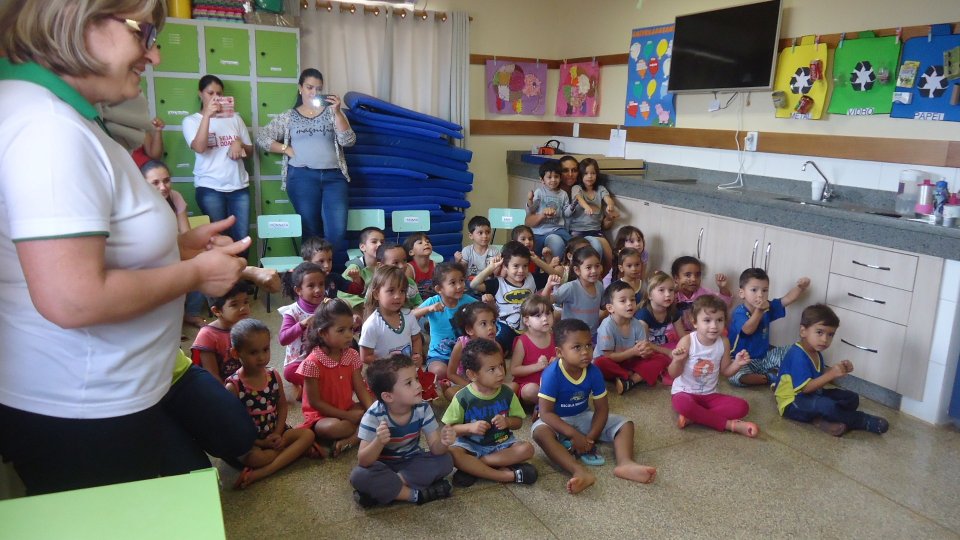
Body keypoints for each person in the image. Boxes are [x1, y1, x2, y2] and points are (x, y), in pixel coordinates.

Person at [0, 0, 251, 495]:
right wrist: (196, 273)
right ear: (79, 20)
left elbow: (86, 249)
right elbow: (73, 298)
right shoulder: (48, 129)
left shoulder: (57, 116)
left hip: (102, 396)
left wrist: (174, 247)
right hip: (83, 405)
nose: (154, 56)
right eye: (145, 34)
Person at [532, 319, 657, 494]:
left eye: (588, 345)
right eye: (577, 347)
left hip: (583, 415)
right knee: (539, 433)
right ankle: (579, 471)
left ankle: (625, 463)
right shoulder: (552, 374)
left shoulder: (594, 372)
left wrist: (590, 439)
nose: (585, 352)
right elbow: (545, 413)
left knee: (626, 424)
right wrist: (574, 434)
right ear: (560, 352)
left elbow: (602, 409)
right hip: (556, 420)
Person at [256, 68, 355, 266]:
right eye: (309, 87)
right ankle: (311, 278)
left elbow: (348, 141)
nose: (314, 92)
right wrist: (285, 149)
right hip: (301, 177)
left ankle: (331, 275)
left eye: (318, 88)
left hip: (334, 178)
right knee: (311, 232)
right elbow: (262, 137)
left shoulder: (332, 113)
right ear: (300, 88)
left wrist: (337, 112)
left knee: (336, 232)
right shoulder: (289, 116)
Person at [350, 355, 456, 508]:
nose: (418, 385)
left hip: (412, 461)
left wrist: (444, 442)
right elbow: (364, 460)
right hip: (383, 466)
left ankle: (385, 490)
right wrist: (378, 442)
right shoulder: (373, 416)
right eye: (409, 383)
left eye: (416, 379)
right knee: (359, 476)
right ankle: (416, 495)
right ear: (388, 396)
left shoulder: (422, 408)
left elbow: (435, 448)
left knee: (446, 460)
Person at [773, 304, 889, 436]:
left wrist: (839, 369)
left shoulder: (816, 353)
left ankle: (825, 419)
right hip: (792, 403)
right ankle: (862, 421)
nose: (825, 339)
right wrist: (832, 374)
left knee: (852, 398)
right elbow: (805, 388)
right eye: (819, 332)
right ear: (803, 331)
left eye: (830, 334)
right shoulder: (797, 355)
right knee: (826, 405)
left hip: (813, 394)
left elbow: (817, 379)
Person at [226, 319, 315, 489]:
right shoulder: (233, 386)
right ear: (236, 353)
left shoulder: (273, 374)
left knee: (308, 435)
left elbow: (282, 406)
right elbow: (234, 426)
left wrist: (278, 433)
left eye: (265, 349)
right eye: (253, 352)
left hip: (276, 431)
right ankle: (287, 455)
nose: (261, 357)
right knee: (256, 458)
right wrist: (261, 443)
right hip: (253, 441)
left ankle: (262, 472)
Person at [441, 339, 537, 487]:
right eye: (492, 369)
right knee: (453, 453)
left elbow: (518, 422)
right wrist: (469, 428)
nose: (500, 372)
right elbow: (449, 430)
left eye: (501, 365)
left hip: (502, 444)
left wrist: (508, 422)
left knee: (527, 449)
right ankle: (505, 475)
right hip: (471, 447)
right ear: (472, 374)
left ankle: (476, 467)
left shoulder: (507, 393)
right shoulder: (462, 397)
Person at [668, 296, 759, 438]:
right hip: (684, 393)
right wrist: (677, 361)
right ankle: (730, 425)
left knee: (742, 407)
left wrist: (737, 364)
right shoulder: (687, 341)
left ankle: (694, 417)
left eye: (719, 320)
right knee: (684, 405)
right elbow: (673, 374)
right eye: (707, 320)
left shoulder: (724, 342)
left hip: (710, 395)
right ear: (694, 322)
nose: (714, 326)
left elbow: (726, 371)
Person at [182, 74, 254, 244]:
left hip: (238, 187)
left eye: (219, 93)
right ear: (200, 94)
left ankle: (242, 263)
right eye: (210, 93)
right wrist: (207, 116)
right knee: (218, 240)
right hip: (210, 188)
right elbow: (199, 148)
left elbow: (250, 151)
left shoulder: (235, 119)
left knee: (242, 240)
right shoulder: (191, 121)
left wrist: (238, 144)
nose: (216, 97)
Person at [298, 299, 374, 456]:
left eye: (350, 329)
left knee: (378, 404)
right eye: (341, 330)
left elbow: (360, 388)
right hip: (322, 417)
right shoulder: (312, 363)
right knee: (334, 427)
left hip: (348, 408)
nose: (349, 335)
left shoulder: (351, 355)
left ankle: (352, 438)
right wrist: (347, 416)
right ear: (323, 333)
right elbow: (315, 403)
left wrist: (372, 410)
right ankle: (361, 432)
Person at [141, 159, 206, 328]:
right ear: (143, 184)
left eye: (166, 180)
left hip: (174, 248)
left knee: (200, 262)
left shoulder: (175, 197)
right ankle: (168, 321)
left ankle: (191, 313)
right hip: (150, 256)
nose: (163, 187)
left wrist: (196, 252)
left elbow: (186, 233)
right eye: (155, 183)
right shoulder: (138, 203)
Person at [729, 268, 811, 387]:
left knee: (795, 350)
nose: (760, 294)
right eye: (754, 290)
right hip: (742, 360)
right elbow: (747, 330)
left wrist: (800, 288)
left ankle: (776, 374)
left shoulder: (767, 307)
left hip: (764, 357)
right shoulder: (739, 313)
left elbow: (787, 299)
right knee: (736, 376)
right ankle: (770, 377)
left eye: (765, 290)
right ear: (742, 293)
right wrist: (759, 311)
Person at [593, 281, 670, 394]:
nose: (629, 304)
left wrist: (645, 352)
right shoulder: (607, 326)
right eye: (623, 301)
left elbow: (643, 350)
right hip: (612, 362)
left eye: (632, 299)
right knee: (599, 363)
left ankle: (630, 381)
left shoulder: (637, 324)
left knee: (661, 358)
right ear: (610, 308)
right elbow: (608, 356)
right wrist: (633, 351)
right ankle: (633, 376)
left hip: (629, 361)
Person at [470, 241, 539, 353]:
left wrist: (537, 261)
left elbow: (556, 275)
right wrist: (491, 267)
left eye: (525, 266)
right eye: (516, 266)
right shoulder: (498, 283)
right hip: (506, 327)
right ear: (505, 266)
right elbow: (474, 284)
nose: (521, 271)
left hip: (530, 327)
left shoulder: (532, 279)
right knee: (496, 346)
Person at [413, 262, 477, 380]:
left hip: (464, 354)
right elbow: (411, 315)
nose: (459, 286)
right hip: (439, 355)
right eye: (453, 283)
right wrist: (428, 309)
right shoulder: (433, 301)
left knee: (477, 370)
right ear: (439, 289)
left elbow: (485, 311)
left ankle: (456, 378)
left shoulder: (467, 300)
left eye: (461, 280)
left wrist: (489, 303)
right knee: (439, 371)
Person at [277, 262, 327, 399]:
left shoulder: (328, 306)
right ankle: (311, 387)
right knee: (290, 372)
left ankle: (310, 387)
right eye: (311, 286)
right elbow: (283, 339)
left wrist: (354, 323)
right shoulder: (292, 312)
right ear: (298, 290)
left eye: (321, 284)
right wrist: (302, 324)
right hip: (299, 361)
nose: (318, 290)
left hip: (324, 357)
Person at [358, 266, 424, 366]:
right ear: (376, 294)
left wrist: (417, 354)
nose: (398, 296)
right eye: (391, 291)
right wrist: (387, 362)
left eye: (402, 291)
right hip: (385, 373)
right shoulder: (371, 324)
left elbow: (416, 339)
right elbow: (365, 357)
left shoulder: (409, 315)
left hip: (408, 369)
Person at [191, 281, 252, 384]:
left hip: (242, 382)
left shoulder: (247, 327)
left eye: (246, 302)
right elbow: (212, 376)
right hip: (220, 387)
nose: (243, 308)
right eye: (234, 304)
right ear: (217, 311)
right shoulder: (207, 335)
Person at [635, 271, 686, 384]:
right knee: (656, 359)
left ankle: (666, 368)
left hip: (663, 344)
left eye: (671, 290)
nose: (668, 294)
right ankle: (661, 370)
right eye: (661, 290)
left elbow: (682, 336)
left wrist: (688, 348)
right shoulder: (643, 315)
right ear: (650, 295)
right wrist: (668, 352)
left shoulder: (673, 311)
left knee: (683, 351)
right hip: (646, 349)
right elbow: (644, 344)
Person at [568, 158, 618, 269]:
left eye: (593, 173)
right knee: (594, 249)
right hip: (578, 231)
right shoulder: (577, 188)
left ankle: (605, 276)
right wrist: (586, 207)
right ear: (581, 175)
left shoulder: (600, 189)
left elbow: (608, 199)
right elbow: (578, 198)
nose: (590, 176)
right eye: (586, 173)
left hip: (596, 230)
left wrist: (610, 205)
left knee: (609, 256)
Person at [445, 302, 501, 400]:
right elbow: (451, 373)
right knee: (450, 392)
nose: (491, 327)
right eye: (484, 324)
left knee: (512, 387)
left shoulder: (496, 346)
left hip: (489, 383)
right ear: (469, 330)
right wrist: (471, 387)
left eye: (493, 322)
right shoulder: (461, 345)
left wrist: (491, 384)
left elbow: (501, 371)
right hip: (465, 383)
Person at [545, 246, 606, 335]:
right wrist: (548, 286)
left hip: (591, 334)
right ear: (577, 270)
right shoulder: (570, 288)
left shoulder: (599, 285)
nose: (594, 271)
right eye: (588, 267)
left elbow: (604, 306)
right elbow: (546, 301)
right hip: (570, 335)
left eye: (597, 266)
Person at [510, 296, 556, 407]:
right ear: (526, 321)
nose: (545, 318)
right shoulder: (522, 341)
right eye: (538, 315)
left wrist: (558, 361)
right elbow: (514, 370)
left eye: (548, 313)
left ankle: (550, 405)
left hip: (551, 382)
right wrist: (538, 366)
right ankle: (548, 407)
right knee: (530, 390)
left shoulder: (554, 336)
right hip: (529, 385)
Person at [525, 160, 573, 259]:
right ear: (542, 179)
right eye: (549, 177)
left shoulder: (563, 194)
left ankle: (563, 264)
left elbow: (566, 213)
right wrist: (530, 200)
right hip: (539, 230)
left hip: (557, 228)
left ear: (560, 178)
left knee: (572, 243)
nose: (553, 180)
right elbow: (531, 210)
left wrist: (572, 207)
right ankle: (540, 266)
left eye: (556, 176)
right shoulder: (539, 192)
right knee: (535, 252)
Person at [671, 255, 732, 332]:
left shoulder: (705, 293)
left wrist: (722, 288)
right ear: (676, 278)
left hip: (701, 333)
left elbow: (724, 304)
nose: (693, 279)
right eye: (688, 275)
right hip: (677, 332)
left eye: (697, 275)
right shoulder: (671, 294)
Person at [455, 216, 501, 280]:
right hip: (471, 282)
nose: (485, 236)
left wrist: (498, 265)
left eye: (488, 232)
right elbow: (462, 272)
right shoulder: (467, 251)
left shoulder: (494, 251)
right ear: (471, 236)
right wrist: (457, 261)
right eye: (480, 233)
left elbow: (496, 274)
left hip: (488, 282)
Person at [404, 232, 436, 300]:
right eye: (420, 243)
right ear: (411, 252)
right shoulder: (409, 269)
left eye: (428, 241)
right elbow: (407, 295)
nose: (426, 243)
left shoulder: (434, 265)